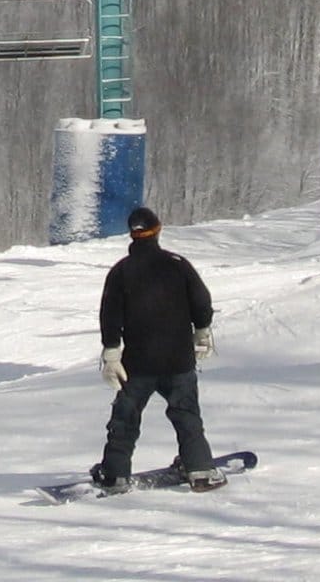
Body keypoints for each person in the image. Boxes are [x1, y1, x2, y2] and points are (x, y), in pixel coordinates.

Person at [92, 206, 222, 493]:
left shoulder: (121, 272)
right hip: (179, 360)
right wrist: (202, 330)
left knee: (125, 418)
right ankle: (200, 468)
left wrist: (111, 352)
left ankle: (115, 475)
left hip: (138, 364)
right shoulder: (177, 264)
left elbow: (109, 315)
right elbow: (201, 301)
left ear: (132, 234)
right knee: (186, 414)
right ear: (158, 229)